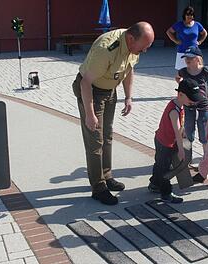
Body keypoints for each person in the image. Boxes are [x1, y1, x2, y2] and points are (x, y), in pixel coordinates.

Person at [72, 22, 154, 205]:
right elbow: (85, 82)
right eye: (144, 47)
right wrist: (89, 113)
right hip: (91, 91)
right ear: (131, 38)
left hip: (109, 90)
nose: (145, 51)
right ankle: (98, 187)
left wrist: (128, 97)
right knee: (95, 140)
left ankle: (106, 175)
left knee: (107, 135)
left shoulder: (133, 47)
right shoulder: (106, 49)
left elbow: (129, 69)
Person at [148, 79, 205, 203]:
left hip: (165, 140)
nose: (193, 101)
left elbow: (181, 129)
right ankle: (166, 193)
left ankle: (154, 184)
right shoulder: (174, 111)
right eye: (191, 98)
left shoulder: (179, 104)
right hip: (165, 143)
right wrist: (181, 149)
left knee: (160, 164)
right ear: (180, 95)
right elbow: (177, 131)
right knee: (165, 169)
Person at [176, 46, 208, 159]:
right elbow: (177, 77)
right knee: (188, 129)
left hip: (203, 105)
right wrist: (182, 85)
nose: (187, 60)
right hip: (188, 105)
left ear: (197, 59)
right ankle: (187, 157)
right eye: (186, 58)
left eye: (190, 58)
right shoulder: (183, 71)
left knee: (204, 130)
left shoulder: (205, 70)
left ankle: (206, 157)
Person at [166, 6, 208, 70]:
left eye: (191, 14)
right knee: (181, 73)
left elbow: (204, 33)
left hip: (194, 52)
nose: (189, 16)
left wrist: (200, 41)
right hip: (182, 52)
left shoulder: (197, 25)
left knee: (196, 71)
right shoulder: (179, 24)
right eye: (187, 14)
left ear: (193, 16)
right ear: (184, 15)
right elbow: (169, 32)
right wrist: (176, 41)